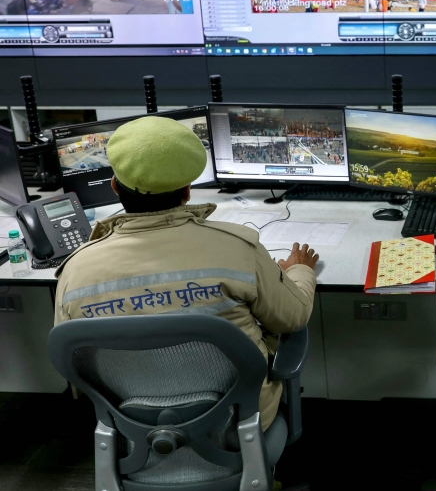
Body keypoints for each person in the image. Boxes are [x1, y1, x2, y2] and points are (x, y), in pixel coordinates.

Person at [54, 117, 319, 432]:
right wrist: (300, 269)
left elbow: (71, 362)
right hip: (239, 425)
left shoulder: (75, 269)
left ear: (114, 186)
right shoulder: (236, 247)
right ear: (187, 190)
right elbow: (292, 319)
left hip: (131, 424)